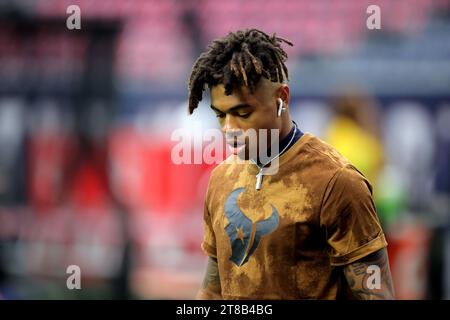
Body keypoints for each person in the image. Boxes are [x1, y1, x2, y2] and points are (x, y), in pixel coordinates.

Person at [187, 29, 394, 300]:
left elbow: (376, 295)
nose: (230, 129)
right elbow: (213, 289)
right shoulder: (220, 180)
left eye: (242, 113)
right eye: (220, 115)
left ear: (281, 98)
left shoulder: (336, 181)